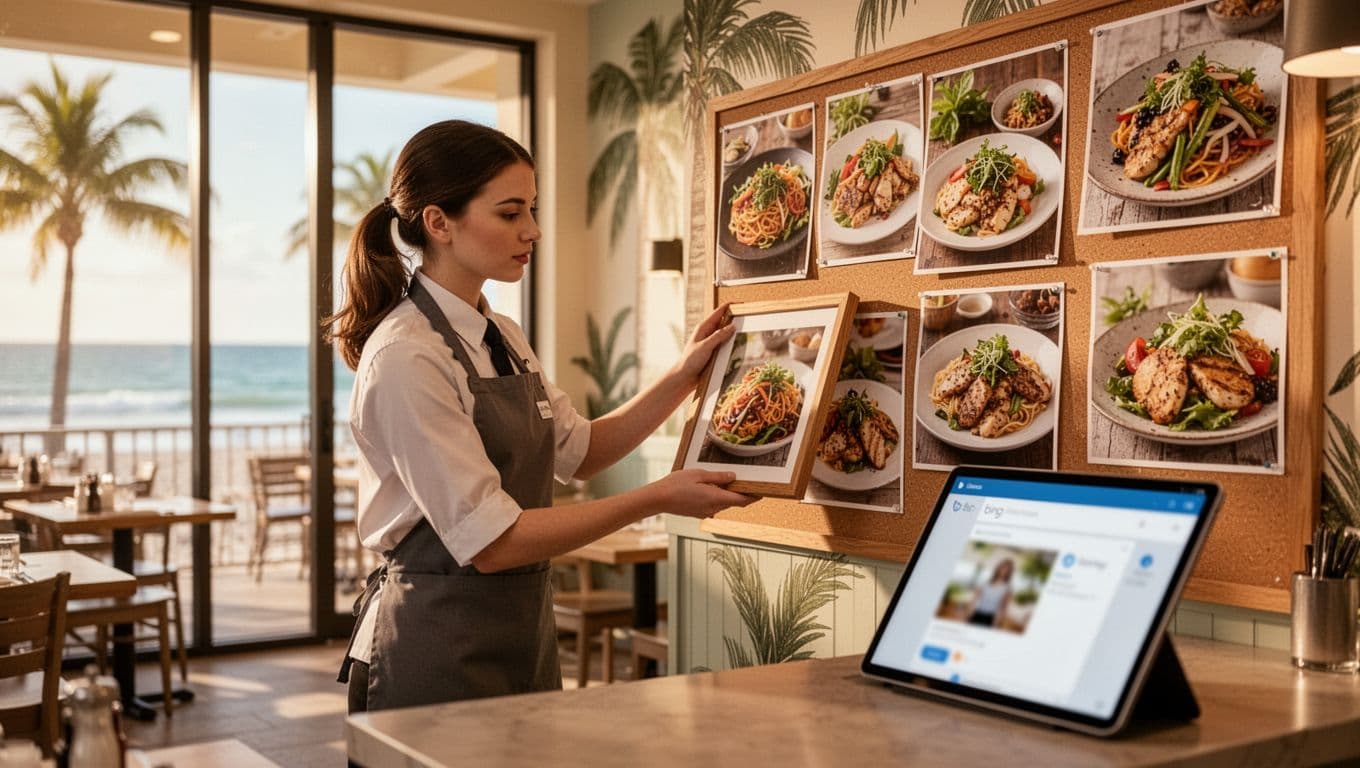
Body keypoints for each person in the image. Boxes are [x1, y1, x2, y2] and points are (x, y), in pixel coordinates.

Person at [328, 120, 751, 713]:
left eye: (531, 208)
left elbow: (581, 451)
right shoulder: (406, 356)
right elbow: (493, 543)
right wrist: (655, 497)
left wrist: (685, 377)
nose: (533, 229)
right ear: (438, 222)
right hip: (434, 645)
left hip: (524, 636)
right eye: (510, 213)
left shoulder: (501, 333)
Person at [966, 558, 1014, 629]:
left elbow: (1004, 608)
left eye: (1007, 570)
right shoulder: (986, 582)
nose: (1004, 571)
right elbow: (975, 598)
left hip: (991, 617)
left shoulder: (1007, 588)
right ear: (999, 568)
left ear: (1009, 572)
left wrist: (998, 622)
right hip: (977, 612)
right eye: (1003, 567)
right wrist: (969, 612)